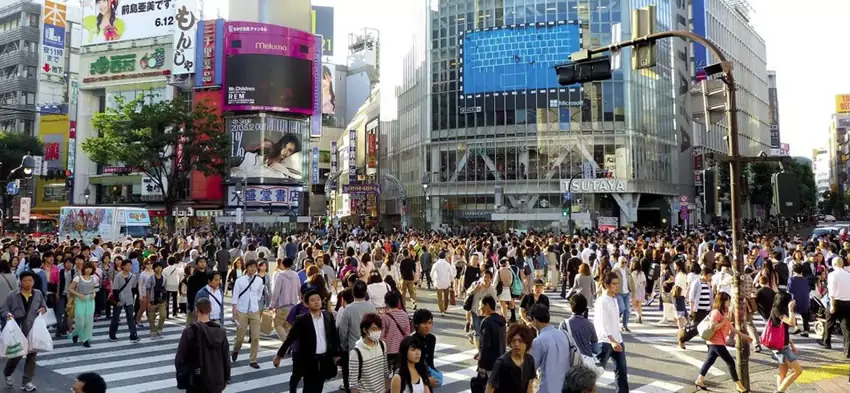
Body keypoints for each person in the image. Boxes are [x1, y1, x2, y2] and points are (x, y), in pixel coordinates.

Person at [275, 289, 341, 393]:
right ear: (306, 304)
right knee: (309, 388)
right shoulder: (302, 320)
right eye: (313, 300)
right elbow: (290, 338)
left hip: (324, 359)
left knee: (319, 387)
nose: (316, 302)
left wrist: (337, 354)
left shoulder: (328, 316)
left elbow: (334, 336)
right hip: (309, 360)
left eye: (318, 299)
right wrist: (279, 355)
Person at [694, 292, 749, 392]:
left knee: (709, 361)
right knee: (731, 363)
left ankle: (699, 380)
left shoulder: (725, 312)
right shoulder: (716, 313)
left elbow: (731, 327)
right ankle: (739, 385)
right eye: (727, 301)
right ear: (722, 301)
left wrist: (743, 336)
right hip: (716, 342)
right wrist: (724, 321)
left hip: (717, 342)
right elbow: (714, 327)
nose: (729, 303)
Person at [3, 271, 48, 392]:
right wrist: (7, 314)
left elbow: (44, 306)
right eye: (25, 281)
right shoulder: (12, 295)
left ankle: (27, 382)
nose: (28, 283)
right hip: (17, 328)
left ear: (33, 281)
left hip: (33, 328)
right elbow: (4, 308)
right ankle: (8, 372)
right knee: (17, 354)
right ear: (21, 282)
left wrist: (43, 309)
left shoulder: (38, 293)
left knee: (32, 355)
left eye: (30, 281)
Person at [175, 298, 231, 393]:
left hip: (196, 380)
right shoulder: (220, 331)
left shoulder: (190, 331)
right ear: (210, 310)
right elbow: (226, 357)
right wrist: (226, 378)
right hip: (216, 380)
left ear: (196, 310)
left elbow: (180, 359)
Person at [338, 280, 379, 392]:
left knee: (353, 379)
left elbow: (343, 331)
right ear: (365, 292)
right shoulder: (372, 307)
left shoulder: (349, 309)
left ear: (353, 292)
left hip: (354, 348)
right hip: (370, 347)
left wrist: (343, 345)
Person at [594, 272, 629, 393]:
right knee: (595, 372)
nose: (617, 286)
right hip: (605, 342)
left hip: (617, 339)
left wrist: (617, 339)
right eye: (614, 284)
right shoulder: (602, 301)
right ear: (607, 285)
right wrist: (612, 341)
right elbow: (601, 325)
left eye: (618, 283)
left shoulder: (615, 298)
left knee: (622, 372)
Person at [230, 260, 265, 369]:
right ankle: (236, 350)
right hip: (242, 310)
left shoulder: (259, 280)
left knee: (255, 337)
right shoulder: (240, 281)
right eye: (250, 267)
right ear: (247, 268)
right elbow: (235, 297)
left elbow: (259, 293)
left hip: (254, 310)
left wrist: (256, 303)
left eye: (254, 267)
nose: (253, 269)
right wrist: (234, 311)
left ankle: (253, 359)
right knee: (240, 336)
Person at [529, 304, 570, 393]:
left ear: (534, 320)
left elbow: (531, 369)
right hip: (566, 386)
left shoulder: (538, 341)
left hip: (547, 388)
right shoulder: (564, 334)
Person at [485, 323, 536, 393]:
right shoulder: (502, 363)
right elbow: (489, 388)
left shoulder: (529, 360)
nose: (516, 344)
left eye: (520, 341)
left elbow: (529, 385)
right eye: (513, 340)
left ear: (527, 343)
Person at [770, 292, 804, 393]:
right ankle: (780, 391)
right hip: (781, 348)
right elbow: (792, 323)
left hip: (783, 345)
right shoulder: (777, 310)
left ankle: (780, 390)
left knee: (782, 375)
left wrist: (792, 344)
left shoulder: (779, 310)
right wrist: (790, 309)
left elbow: (783, 331)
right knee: (798, 371)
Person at [348, 312, 390, 393]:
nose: (377, 332)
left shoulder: (382, 345)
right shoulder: (356, 353)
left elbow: (385, 372)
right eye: (374, 329)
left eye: (379, 329)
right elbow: (353, 384)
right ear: (365, 330)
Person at [108, 259, 139, 343]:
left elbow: (133, 288)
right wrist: (117, 300)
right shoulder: (118, 276)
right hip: (119, 298)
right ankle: (112, 335)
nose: (129, 267)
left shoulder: (133, 276)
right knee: (116, 317)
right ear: (123, 266)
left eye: (130, 265)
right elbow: (115, 289)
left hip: (129, 299)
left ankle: (133, 335)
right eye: (127, 265)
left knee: (130, 318)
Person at [271, 257, 301, 341]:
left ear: (283, 264)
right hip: (293, 304)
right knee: (288, 326)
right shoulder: (296, 275)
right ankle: (290, 342)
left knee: (277, 324)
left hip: (282, 305)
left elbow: (276, 291)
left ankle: (286, 343)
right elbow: (299, 289)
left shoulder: (280, 275)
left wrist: (272, 304)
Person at [68, 261, 97, 347]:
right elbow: (70, 289)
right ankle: (75, 333)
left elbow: (93, 289)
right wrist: (79, 295)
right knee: (80, 322)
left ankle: (86, 339)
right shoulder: (78, 278)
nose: (88, 270)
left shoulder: (93, 278)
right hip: (80, 300)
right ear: (84, 268)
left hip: (90, 300)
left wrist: (94, 294)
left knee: (88, 321)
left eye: (90, 268)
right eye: (87, 268)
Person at [477, 295, 505, 376]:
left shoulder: (487, 322)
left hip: (489, 364)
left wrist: (481, 365)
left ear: (487, 305)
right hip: (501, 360)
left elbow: (485, 345)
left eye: (481, 305)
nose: (480, 308)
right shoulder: (501, 320)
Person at [145, 262, 168, 339]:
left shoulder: (164, 278)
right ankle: (153, 331)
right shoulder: (151, 278)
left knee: (163, 315)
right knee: (151, 318)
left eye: (160, 267)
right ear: (154, 269)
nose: (158, 268)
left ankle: (159, 330)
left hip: (161, 300)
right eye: (157, 267)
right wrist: (148, 302)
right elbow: (147, 290)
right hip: (152, 300)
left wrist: (166, 301)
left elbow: (165, 289)